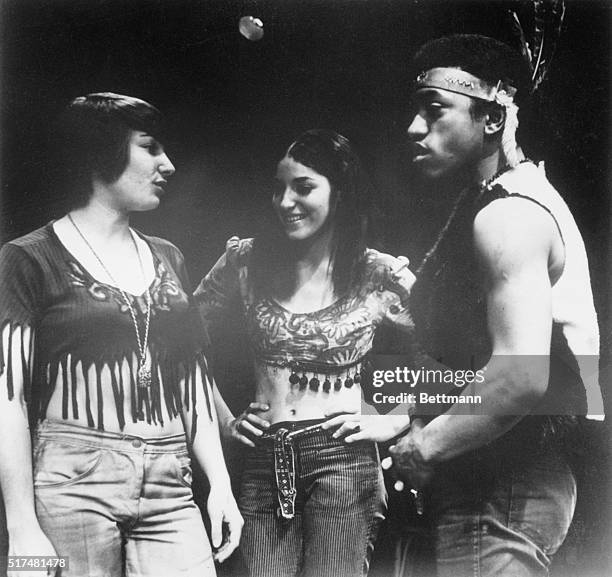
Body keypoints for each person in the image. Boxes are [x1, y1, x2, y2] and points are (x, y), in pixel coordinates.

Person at [0, 92, 242, 577]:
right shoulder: (28, 259)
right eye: (150, 147)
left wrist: (220, 485)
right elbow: (9, 400)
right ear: (99, 153)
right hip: (73, 483)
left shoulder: (167, 257)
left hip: (171, 484)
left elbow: (191, 380)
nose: (167, 165)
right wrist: (22, 528)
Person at [388, 34, 603, 577]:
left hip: (503, 488)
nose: (415, 128)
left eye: (435, 111)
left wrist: (425, 446)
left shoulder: (509, 216)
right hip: (502, 484)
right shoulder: (505, 200)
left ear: (491, 119)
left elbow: (520, 376)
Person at [194, 129, 416, 577]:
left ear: (341, 192)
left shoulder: (381, 273)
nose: (285, 202)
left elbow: (451, 355)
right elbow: (179, 340)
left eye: (304, 186)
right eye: (279, 188)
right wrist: (222, 420)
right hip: (263, 458)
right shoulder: (245, 261)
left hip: (343, 459)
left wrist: (395, 417)